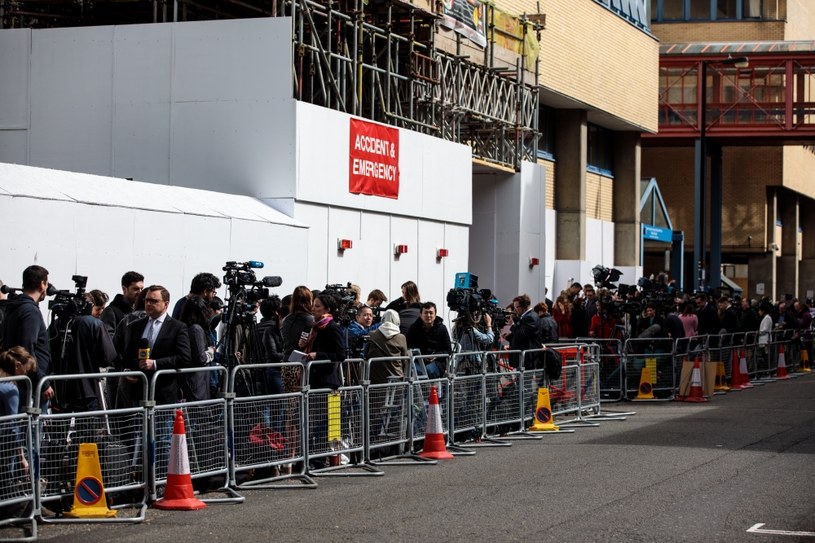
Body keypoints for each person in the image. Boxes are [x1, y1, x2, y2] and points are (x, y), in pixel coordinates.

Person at [117, 285, 191, 407]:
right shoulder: (136, 325)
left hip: (163, 393)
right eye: (147, 300)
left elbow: (184, 358)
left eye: (154, 301)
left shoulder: (177, 327)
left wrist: (155, 363)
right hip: (138, 391)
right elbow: (128, 354)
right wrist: (128, 370)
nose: (149, 304)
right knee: (139, 426)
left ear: (166, 304)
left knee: (160, 426)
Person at [2, 265, 54, 406]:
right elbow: (27, 351)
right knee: (29, 426)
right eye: (47, 283)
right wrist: (42, 383)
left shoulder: (14, 307)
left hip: (19, 380)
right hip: (29, 385)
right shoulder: (29, 311)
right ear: (42, 284)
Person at [0, 347, 36, 495]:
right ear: (17, 366)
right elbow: (13, 425)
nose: (26, 374)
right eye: (26, 370)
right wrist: (22, 457)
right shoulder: (10, 389)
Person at [301, 292, 344, 389]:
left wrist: (318, 355)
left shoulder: (332, 327)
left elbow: (341, 355)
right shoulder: (313, 326)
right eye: (313, 306)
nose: (313, 309)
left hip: (327, 381)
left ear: (327, 309)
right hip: (311, 378)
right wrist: (303, 345)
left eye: (317, 306)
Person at [178, 295, 214, 402]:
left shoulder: (184, 327)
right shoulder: (196, 329)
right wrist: (211, 352)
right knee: (199, 415)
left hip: (191, 381)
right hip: (196, 383)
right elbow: (201, 358)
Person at [406, 302, 452, 378]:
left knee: (429, 371)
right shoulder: (414, 328)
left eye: (431, 313)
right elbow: (408, 346)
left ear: (435, 314)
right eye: (426, 313)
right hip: (418, 360)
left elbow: (448, 350)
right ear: (420, 315)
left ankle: (429, 389)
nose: (428, 315)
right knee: (415, 371)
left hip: (437, 361)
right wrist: (421, 356)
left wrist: (435, 356)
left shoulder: (442, 328)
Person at [366, 309, 408, 384]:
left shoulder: (372, 334)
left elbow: (367, 353)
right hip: (396, 379)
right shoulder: (401, 337)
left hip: (375, 379)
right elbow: (404, 359)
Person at [100, 271, 144, 340]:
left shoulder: (142, 311)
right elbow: (107, 340)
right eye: (136, 289)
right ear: (124, 289)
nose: (140, 292)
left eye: (142, 289)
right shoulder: (111, 311)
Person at [505, 294, 542, 370]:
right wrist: (509, 336)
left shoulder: (530, 317)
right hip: (524, 358)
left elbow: (522, 334)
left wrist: (512, 325)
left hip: (527, 358)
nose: (515, 310)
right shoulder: (527, 316)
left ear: (524, 306)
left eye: (517, 307)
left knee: (524, 381)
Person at [281, 286, 314, 361]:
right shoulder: (311, 319)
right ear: (309, 300)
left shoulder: (286, 319)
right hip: (301, 361)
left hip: (286, 360)